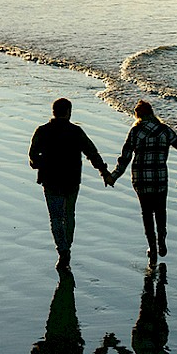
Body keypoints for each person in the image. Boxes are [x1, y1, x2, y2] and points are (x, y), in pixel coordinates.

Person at [109, 100, 177, 260]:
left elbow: (125, 157)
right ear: (152, 113)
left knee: (147, 213)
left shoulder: (135, 131)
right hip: (160, 178)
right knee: (160, 210)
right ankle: (162, 240)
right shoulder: (164, 131)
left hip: (141, 179)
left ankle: (152, 248)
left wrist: (114, 176)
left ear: (138, 115)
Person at [29, 97, 110, 270]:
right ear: (69, 112)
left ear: (53, 112)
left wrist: (40, 164)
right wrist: (103, 171)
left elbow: (33, 157)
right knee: (69, 215)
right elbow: (91, 152)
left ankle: (62, 251)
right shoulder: (76, 131)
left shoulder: (42, 131)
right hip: (72, 181)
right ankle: (68, 248)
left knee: (56, 218)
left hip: (50, 181)